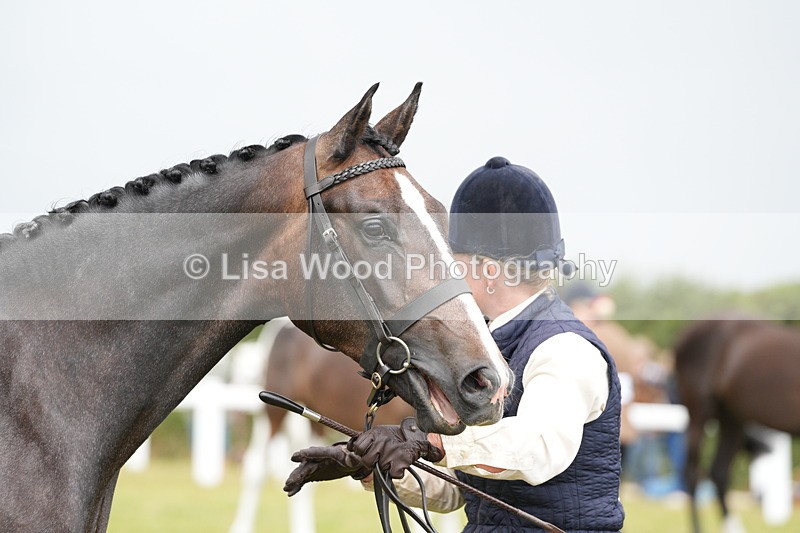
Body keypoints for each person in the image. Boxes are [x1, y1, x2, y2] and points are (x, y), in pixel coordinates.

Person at [284, 156, 625, 532]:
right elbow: (461, 490)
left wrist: (427, 442)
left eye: (453, 262)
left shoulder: (564, 348)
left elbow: (539, 447)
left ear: (489, 270)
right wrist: (369, 464)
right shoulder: (489, 348)